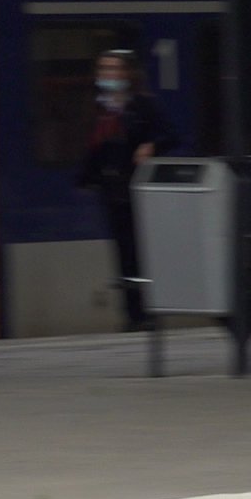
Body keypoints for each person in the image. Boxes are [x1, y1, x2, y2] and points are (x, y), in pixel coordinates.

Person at [78, 48, 179, 332]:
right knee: (123, 252)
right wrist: (87, 178)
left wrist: (151, 146)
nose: (108, 75)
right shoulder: (99, 109)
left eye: (113, 69)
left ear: (127, 74)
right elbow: (93, 147)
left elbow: (171, 134)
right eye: (104, 69)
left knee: (140, 250)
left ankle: (148, 311)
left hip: (137, 188)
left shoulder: (143, 105)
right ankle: (132, 314)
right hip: (111, 190)